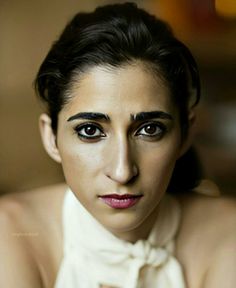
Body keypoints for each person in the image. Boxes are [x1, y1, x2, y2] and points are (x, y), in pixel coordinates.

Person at [0, 2, 235, 288]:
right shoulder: (9, 233)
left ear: (185, 134)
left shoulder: (228, 233)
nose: (123, 171)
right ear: (51, 137)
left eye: (150, 129)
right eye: (89, 130)